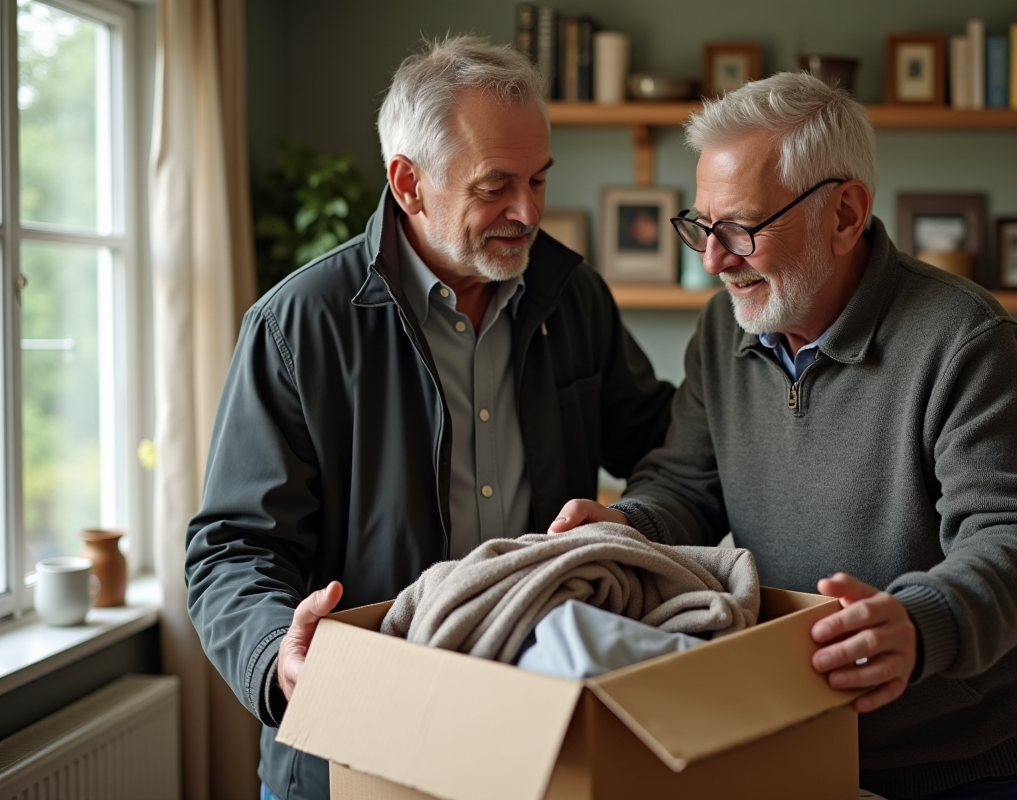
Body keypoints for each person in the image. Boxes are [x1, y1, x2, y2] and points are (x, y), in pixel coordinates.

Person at [550, 72, 1017, 800]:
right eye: (702, 226)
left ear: (845, 214)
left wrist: (923, 623)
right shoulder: (722, 328)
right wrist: (626, 526)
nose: (713, 260)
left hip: (968, 761)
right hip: (792, 732)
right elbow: (685, 484)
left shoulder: (963, 337)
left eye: (741, 228)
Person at [185, 36, 674, 800]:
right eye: (495, 186)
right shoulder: (297, 326)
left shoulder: (573, 297)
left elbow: (662, 442)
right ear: (408, 184)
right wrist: (275, 650)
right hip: (354, 741)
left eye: (538, 180)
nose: (528, 212)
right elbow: (233, 547)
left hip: (538, 730)